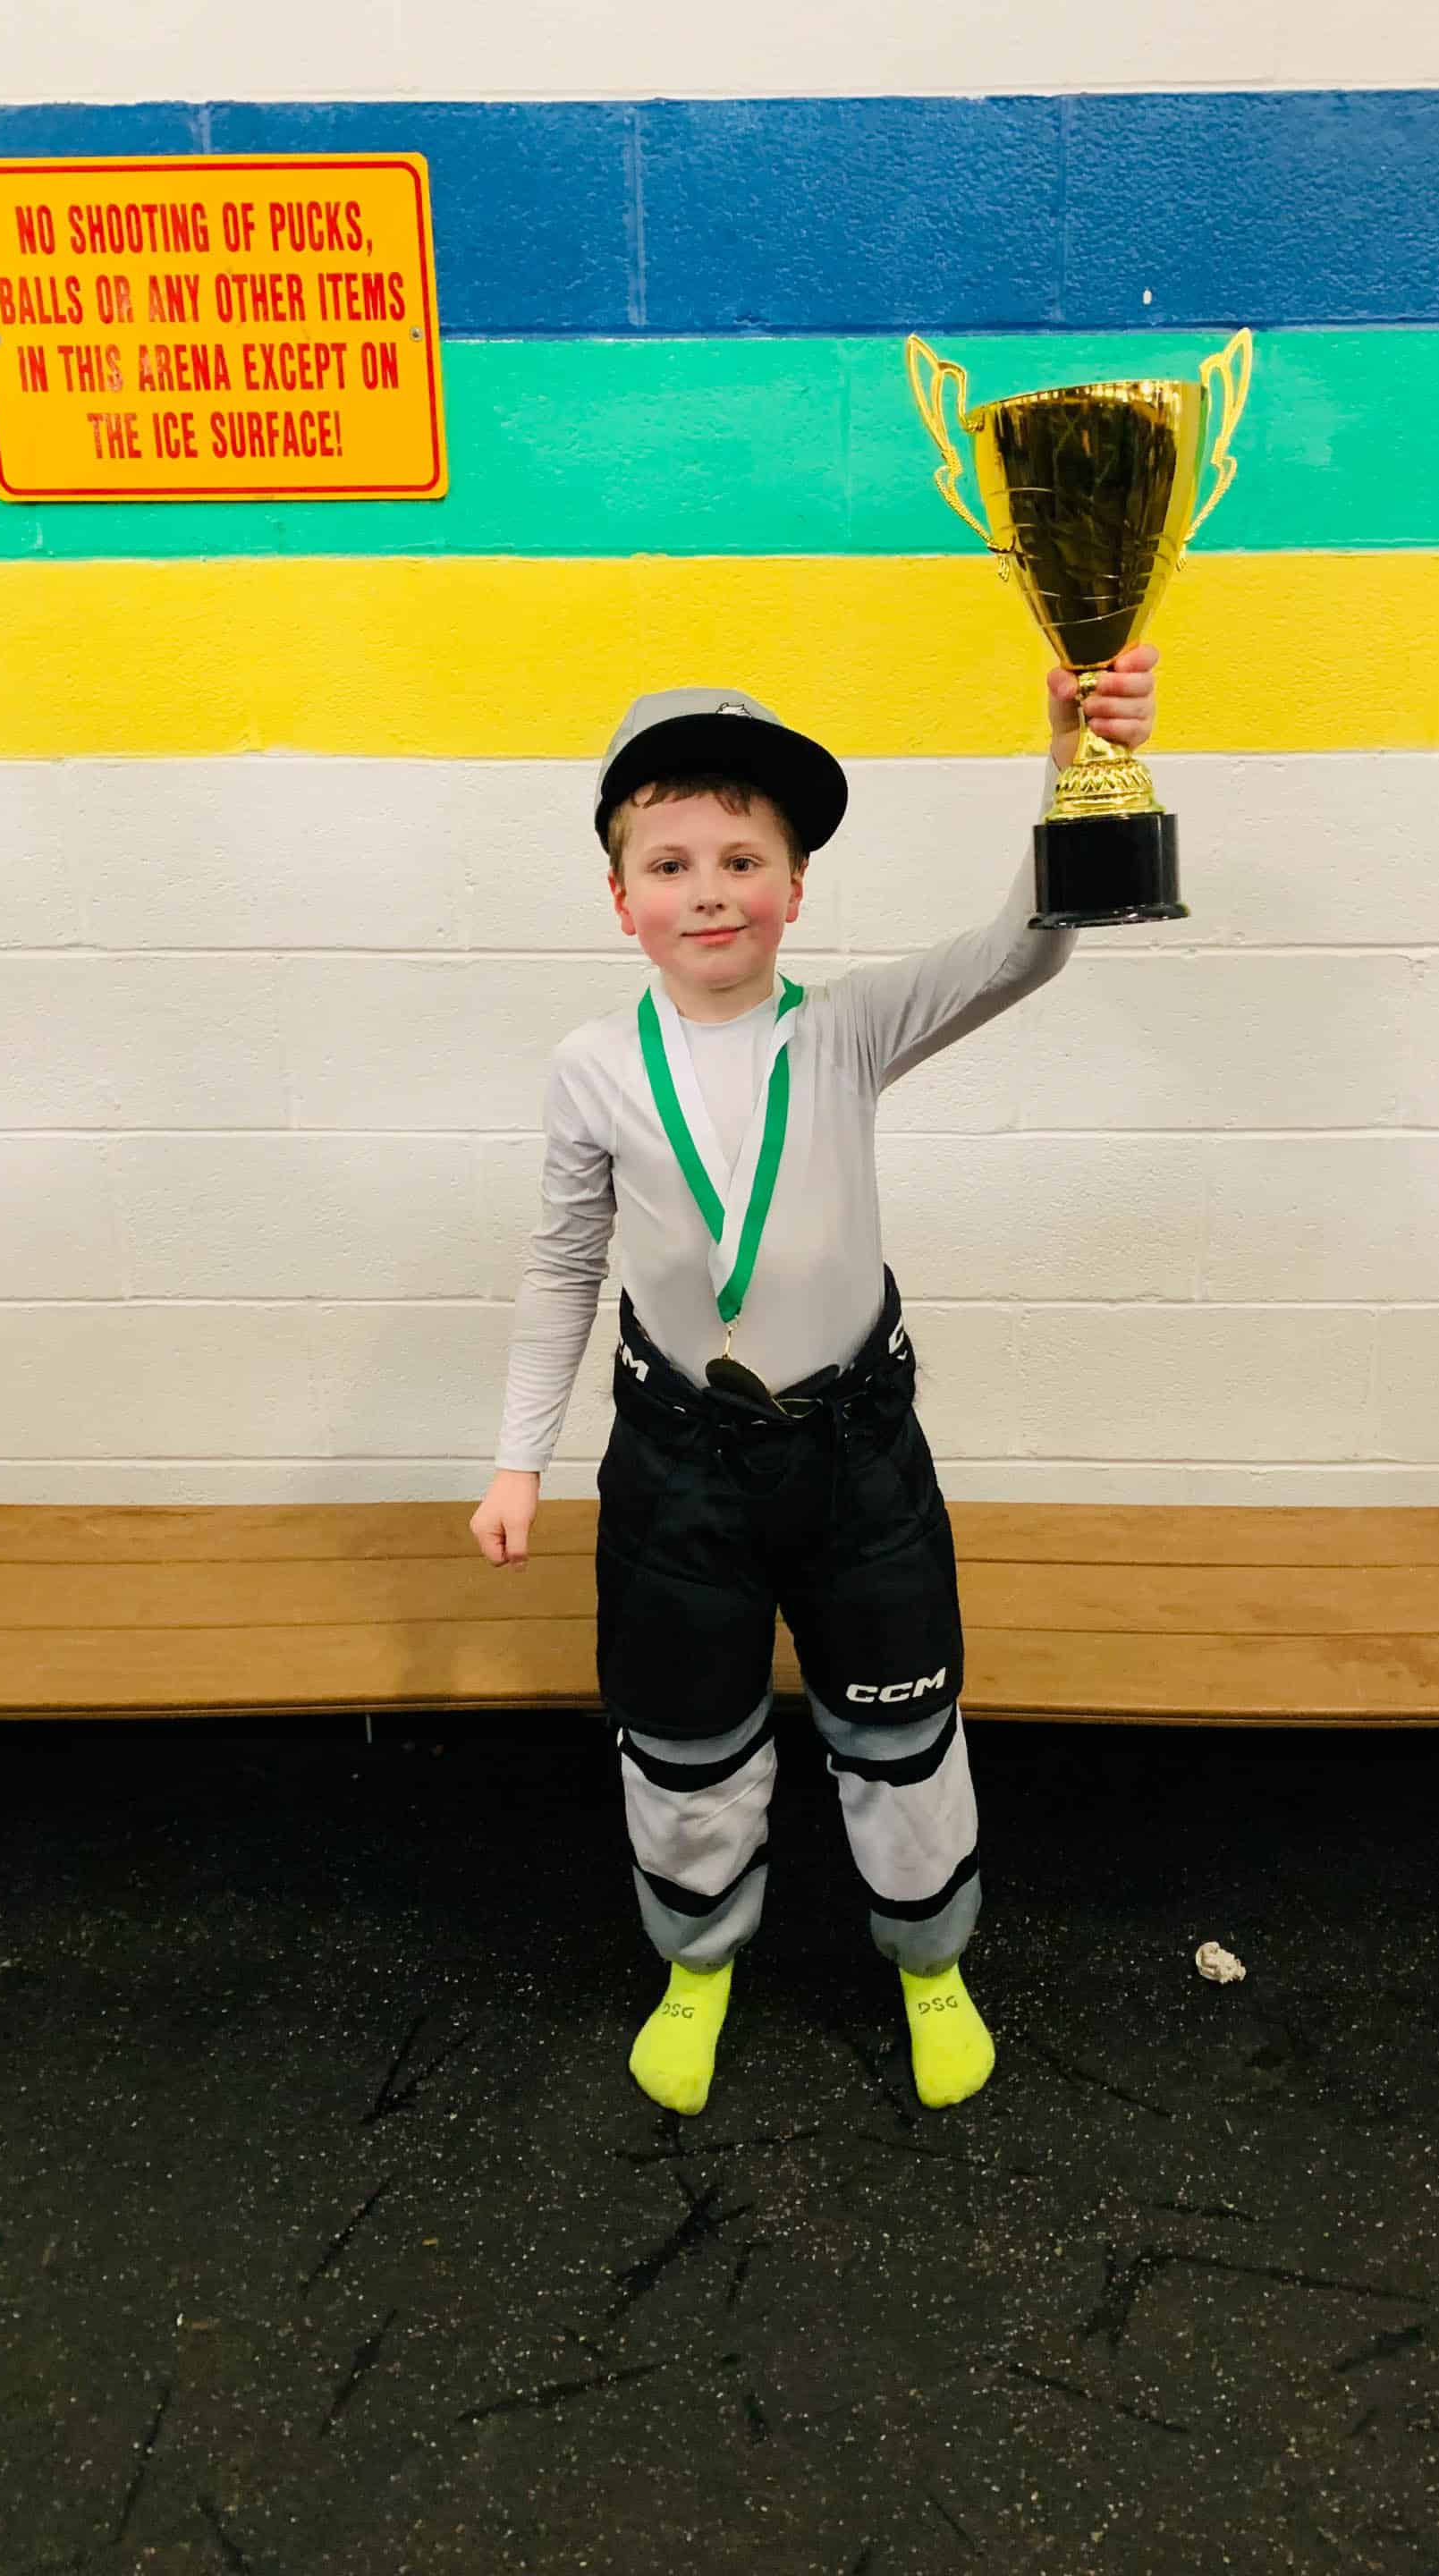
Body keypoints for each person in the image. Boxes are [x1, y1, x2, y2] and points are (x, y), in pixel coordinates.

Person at [470, 650, 1161, 2115]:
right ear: (620, 898)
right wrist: (518, 1460)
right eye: (671, 864)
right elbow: (562, 1269)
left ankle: (930, 1963)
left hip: (857, 1462)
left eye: (743, 860)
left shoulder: (846, 1030)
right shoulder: (592, 1067)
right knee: (681, 1746)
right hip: (677, 1471)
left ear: (796, 886)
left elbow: (1026, 949)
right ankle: (698, 1962)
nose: (709, 891)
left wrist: (1075, 762)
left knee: (902, 1739)